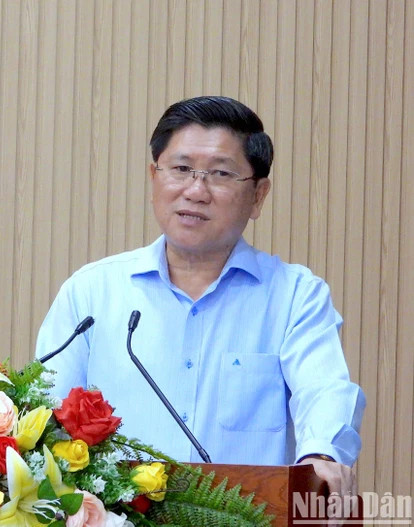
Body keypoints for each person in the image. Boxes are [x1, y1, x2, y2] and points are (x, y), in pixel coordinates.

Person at [35, 96, 365, 508]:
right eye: (181, 169)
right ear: (153, 176)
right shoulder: (92, 292)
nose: (195, 190)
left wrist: (322, 454)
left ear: (258, 195)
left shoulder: (295, 295)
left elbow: (324, 390)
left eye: (221, 174)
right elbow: (43, 413)